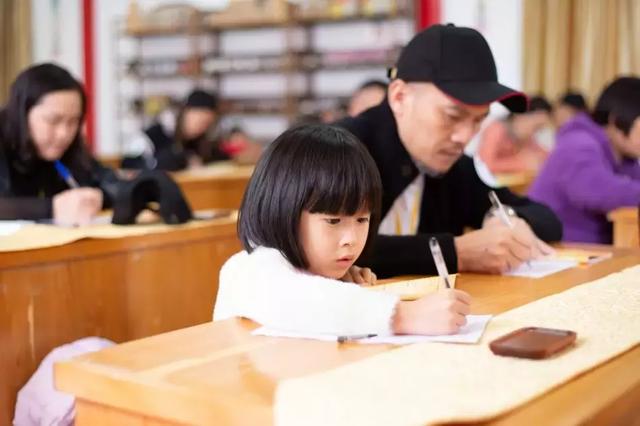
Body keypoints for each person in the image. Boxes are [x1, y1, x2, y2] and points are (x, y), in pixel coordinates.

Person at [336, 24, 562, 278]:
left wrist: (507, 219)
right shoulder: (338, 151)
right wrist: (456, 252)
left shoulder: (453, 166)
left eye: (478, 120)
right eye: (452, 115)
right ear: (400, 97)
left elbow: (548, 218)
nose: (465, 137)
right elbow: (317, 246)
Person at [213, 124, 471, 336]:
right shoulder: (248, 269)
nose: (351, 239)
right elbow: (296, 300)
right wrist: (404, 316)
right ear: (283, 210)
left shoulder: (316, 270)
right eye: (333, 221)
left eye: (362, 220)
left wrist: (333, 281)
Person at [0, 63, 119, 225]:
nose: (64, 134)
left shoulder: (70, 149)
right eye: (53, 120)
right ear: (22, 113)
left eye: (73, 121)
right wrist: (52, 207)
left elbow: (110, 182)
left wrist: (100, 197)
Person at [528, 77, 640, 244]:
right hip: (554, 249)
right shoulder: (578, 142)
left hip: (589, 250)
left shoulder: (626, 157)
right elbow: (597, 191)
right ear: (616, 121)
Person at [123, 89, 229, 171]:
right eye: (200, 120)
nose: (202, 127)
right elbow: (129, 168)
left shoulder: (199, 141)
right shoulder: (151, 137)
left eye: (207, 124)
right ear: (185, 113)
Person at [477, 96, 553, 174]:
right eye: (536, 127)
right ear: (520, 116)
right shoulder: (496, 129)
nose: (536, 132)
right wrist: (522, 163)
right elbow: (484, 165)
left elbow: (546, 155)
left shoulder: (526, 137)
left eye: (539, 129)